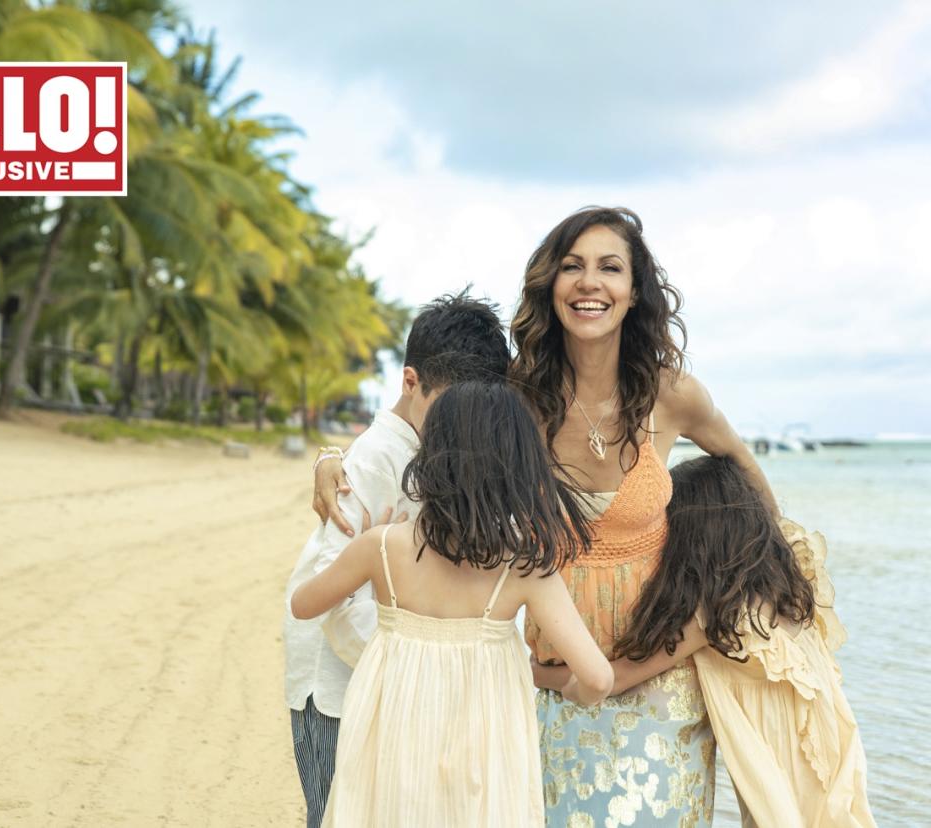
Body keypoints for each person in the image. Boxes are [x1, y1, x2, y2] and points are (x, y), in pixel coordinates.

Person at [315, 206, 775, 824]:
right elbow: (432, 438)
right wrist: (333, 458)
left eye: (610, 268)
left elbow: (743, 470)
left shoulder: (675, 394)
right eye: (572, 266)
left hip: (660, 677)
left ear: (635, 291)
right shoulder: (517, 399)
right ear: (549, 286)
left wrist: (775, 557)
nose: (590, 282)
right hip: (544, 679)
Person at [292, 381, 615, 826]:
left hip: (392, 743)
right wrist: (563, 687)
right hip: (483, 747)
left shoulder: (382, 546)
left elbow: (303, 605)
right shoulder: (525, 569)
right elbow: (597, 679)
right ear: (519, 466)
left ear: (430, 456)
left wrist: (364, 560)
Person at [534, 455, 876, 828]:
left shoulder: (714, 615)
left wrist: (538, 673)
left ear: (691, 536)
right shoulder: (788, 587)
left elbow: (614, 679)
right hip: (830, 747)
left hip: (777, 764)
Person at [282, 292, 511, 828]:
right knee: (338, 812)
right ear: (410, 382)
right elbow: (331, 595)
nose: (463, 421)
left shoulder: (441, 448)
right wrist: (421, 676)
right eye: (450, 404)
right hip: (338, 685)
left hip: (395, 678)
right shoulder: (372, 458)